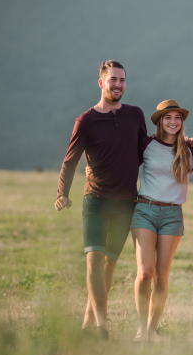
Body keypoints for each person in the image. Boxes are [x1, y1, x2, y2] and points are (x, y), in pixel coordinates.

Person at [55, 60, 147, 340]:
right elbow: (70, 161)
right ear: (101, 83)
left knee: (109, 264)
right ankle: (101, 326)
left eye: (122, 80)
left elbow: (146, 151)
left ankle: (87, 321)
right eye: (113, 80)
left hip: (126, 203)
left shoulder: (135, 115)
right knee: (94, 260)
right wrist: (62, 193)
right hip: (95, 200)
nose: (118, 85)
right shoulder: (86, 120)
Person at [131, 100, 193, 342]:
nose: (173, 121)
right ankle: (141, 329)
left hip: (172, 215)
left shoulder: (190, 149)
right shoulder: (147, 144)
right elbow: (122, 163)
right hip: (144, 210)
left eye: (177, 117)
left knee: (161, 276)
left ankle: (152, 329)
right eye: (167, 117)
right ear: (160, 121)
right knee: (145, 272)